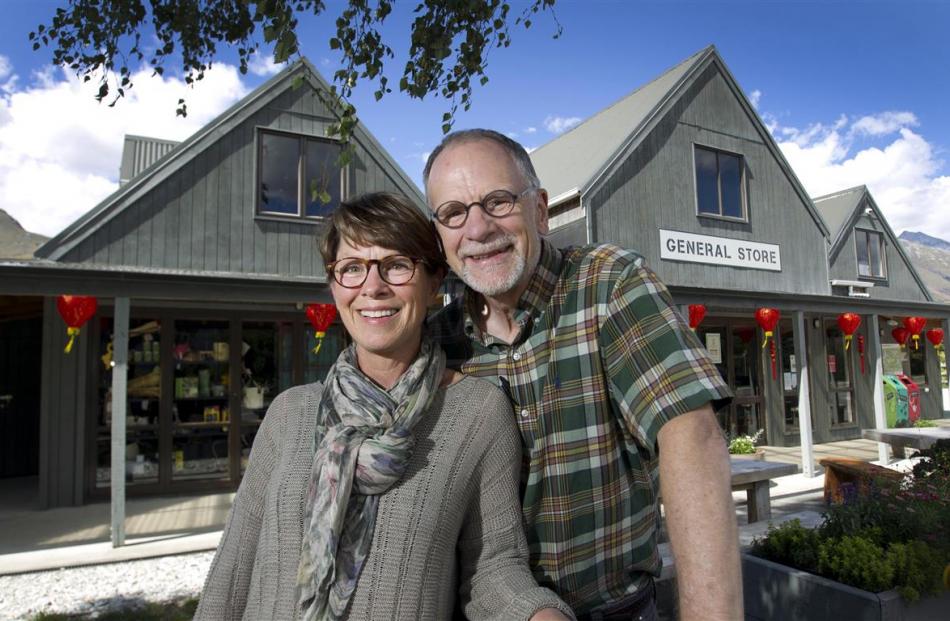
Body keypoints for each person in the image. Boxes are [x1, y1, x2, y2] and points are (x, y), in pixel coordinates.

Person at [195, 192, 575, 620]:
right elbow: (233, 571)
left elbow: (492, 567)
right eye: (352, 268)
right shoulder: (287, 414)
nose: (372, 288)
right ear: (335, 285)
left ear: (433, 283)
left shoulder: (477, 412)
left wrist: (540, 615)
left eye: (396, 265)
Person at [424, 130, 743, 620]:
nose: (479, 228)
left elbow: (690, 436)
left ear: (541, 210)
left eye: (498, 201)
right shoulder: (436, 345)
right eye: (453, 213)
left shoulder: (609, 284)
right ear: (440, 235)